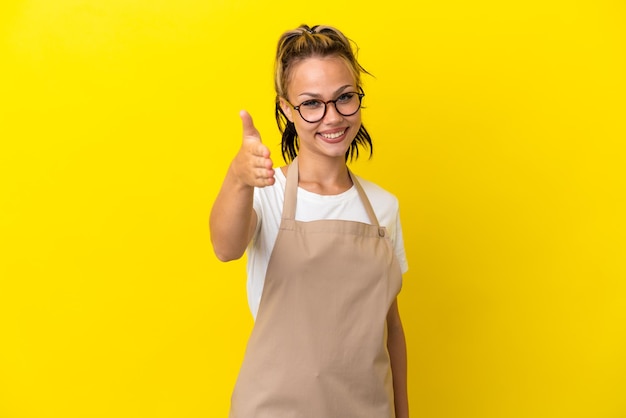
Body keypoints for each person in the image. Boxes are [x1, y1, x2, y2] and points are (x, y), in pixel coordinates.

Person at [210, 24, 409, 418]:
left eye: (344, 98)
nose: (332, 117)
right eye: (312, 103)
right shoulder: (265, 191)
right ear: (286, 108)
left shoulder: (384, 207)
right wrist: (238, 177)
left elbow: (391, 329)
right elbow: (225, 248)